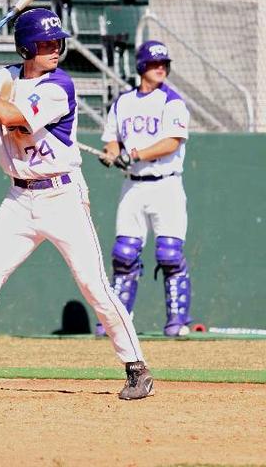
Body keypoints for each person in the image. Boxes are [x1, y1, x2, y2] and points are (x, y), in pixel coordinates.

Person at [0, 8, 154, 400]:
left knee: (94, 285)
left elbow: (10, 114)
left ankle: (136, 368)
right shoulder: (3, 77)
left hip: (62, 196)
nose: (54, 49)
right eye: (44, 43)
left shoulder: (60, 85)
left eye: (57, 42)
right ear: (25, 47)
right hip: (19, 197)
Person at [95, 40, 192, 338]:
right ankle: (118, 319)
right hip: (133, 186)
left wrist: (134, 154)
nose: (160, 67)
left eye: (164, 63)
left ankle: (178, 320)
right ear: (141, 67)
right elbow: (113, 139)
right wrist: (112, 152)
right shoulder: (123, 102)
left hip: (166, 184)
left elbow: (172, 141)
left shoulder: (172, 102)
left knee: (169, 254)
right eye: (154, 63)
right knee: (124, 254)